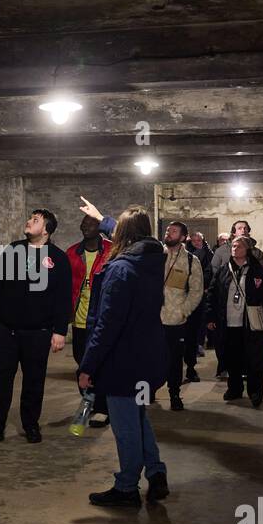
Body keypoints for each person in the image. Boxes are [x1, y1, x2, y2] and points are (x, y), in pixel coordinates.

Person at [76, 204, 170, 507]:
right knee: (139, 417)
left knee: (126, 427)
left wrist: (88, 365)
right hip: (148, 358)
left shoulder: (120, 269)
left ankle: (127, 487)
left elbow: (107, 325)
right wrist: (103, 218)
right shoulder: (153, 259)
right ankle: (156, 473)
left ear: (123, 235)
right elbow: (131, 233)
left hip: (123, 361)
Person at [0, 208, 72, 444]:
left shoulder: (58, 258)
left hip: (38, 332)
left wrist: (60, 330)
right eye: (30, 218)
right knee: (1, 380)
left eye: (35, 220)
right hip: (7, 329)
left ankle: (31, 426)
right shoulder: (14, 249)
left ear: (46, 230)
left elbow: (63, 297)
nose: (29, 221)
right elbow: (0, 283)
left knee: (33, 381)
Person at [208, 234, 263, 408]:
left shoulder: (256, 270)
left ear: (247, 250)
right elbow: (213, 295)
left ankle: (255, 391)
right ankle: (235, 388)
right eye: (233, 246)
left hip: (250, 323)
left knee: (254, 358)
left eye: (239, 246)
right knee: (231, 359)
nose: (234, 248)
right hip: (228, 323)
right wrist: (210, 317)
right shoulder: (224, 270)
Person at [67, 214, 113, 427]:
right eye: (83, 223)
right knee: (81, 363)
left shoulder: (112, 251)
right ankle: (90, 402)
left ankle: (102, 408)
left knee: (100, 365)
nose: (86, 226)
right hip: (79, 320)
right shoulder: (72, 253)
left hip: (102, 319)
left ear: (100, 227)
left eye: (91, 223)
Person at [157, 221, 202, 410]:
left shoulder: (191, 261)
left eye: (173, 231)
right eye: (168, 230)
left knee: (175, 360)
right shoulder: (155, 255)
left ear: (183, 237)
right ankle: (148, 390)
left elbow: (196, 291)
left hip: (175, 320)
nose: (169, 233)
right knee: (150, 356)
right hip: (152, 317)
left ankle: (174, 393)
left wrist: (184, 310)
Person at [183, 231, 213, 381]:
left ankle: (190, 367)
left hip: (197, 296)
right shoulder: (179, 256)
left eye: (198, 240)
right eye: (192, 240)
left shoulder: (204, 255)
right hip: (177, 301)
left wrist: (203, 287)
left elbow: (208, 272)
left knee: (192, 333)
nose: (195, 242)